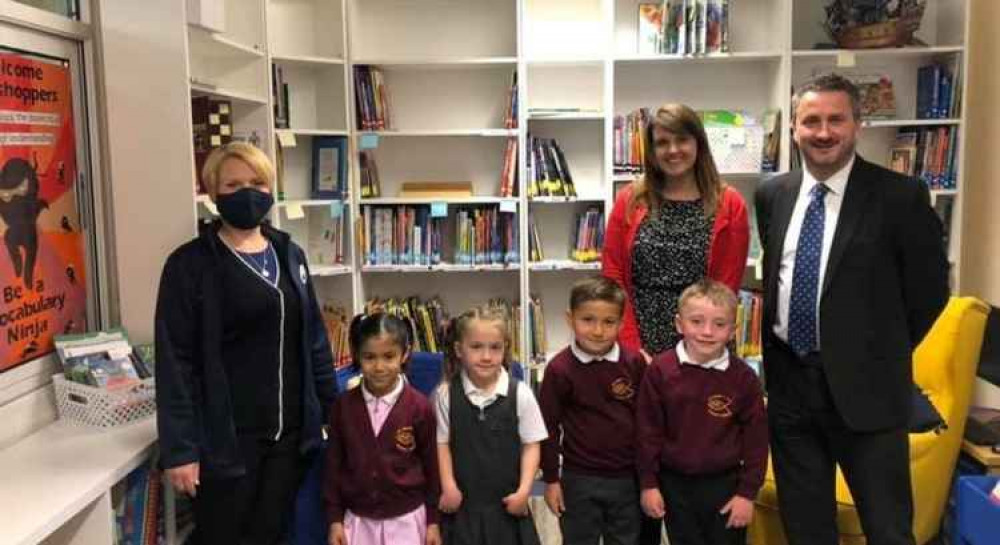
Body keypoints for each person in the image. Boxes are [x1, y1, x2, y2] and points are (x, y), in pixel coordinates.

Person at [754, 73, 949, 545]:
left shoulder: (901, 197)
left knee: (887, 529)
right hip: (790, 391)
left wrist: (878, 351)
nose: (823, 132)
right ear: (795, 128)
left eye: (836, 119)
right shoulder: (772, 195)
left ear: (858, 124)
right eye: (811, 121)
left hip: (869, 396)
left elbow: (929, 293)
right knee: (806, 529)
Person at [155, 142, 338, 545]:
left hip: (287, 440)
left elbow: (314, 341)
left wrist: (334, 412)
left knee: (270, 534)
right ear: (213, 193)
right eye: (233, 184)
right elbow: (176, 363)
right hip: (225, 443)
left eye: (257, 182)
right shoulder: (191, 265)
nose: (248, 193)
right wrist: (180, 450)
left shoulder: (290, 253)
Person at [603, 103, 750, 360]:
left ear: (698, 144)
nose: (672, 150)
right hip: (640, 344)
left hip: (704, 343)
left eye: (682, 140)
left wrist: (700, 348)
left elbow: (725, 288)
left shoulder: (729, 204)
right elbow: (613, 275)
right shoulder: (630, 199)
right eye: (662, 142)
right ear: (651, 150)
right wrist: (631, 347)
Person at [636, 279, 767, 545]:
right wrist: (648, 484)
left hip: (726, 486)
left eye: (719, 324)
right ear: (678, 324)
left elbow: (756, 440)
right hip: (674, 485)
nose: (707, 332)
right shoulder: (660, 371)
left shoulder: (744, 378)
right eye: (696, 322)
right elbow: (647, 433)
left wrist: (747, 494)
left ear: (733, 330)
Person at [538, 276, 648, 545]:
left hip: (627, 478)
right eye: (587, 320)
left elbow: (649, 423)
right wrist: (551, 480)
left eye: (609, 322)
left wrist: (649, 479)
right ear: (570, 318)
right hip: (578, 478)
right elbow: (547, 428)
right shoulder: (559, 369)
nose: (598, 331)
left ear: (621, 324)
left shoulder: (634, 363)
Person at [432, 304, 547, 545]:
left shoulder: (521, 394)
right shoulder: (445, 395)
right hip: (463, 509)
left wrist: (525, 490)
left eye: (495, 348)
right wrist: (448, 485)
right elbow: (441, 444)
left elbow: (531, 445)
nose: (486, 356)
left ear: (505, 350)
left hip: (508, 508)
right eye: (476, 347)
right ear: (459, 350)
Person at [323, 313, 441, 545]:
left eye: (389, 357)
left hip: (407, 523)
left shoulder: (420, 407)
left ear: (404, 354)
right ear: (357, 354)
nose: (379, 367)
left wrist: (433, 521)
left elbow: (432, 468)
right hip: (358, 523)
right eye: (369, 357)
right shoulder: (343, 407)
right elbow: (333, 467)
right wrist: (335, 519)